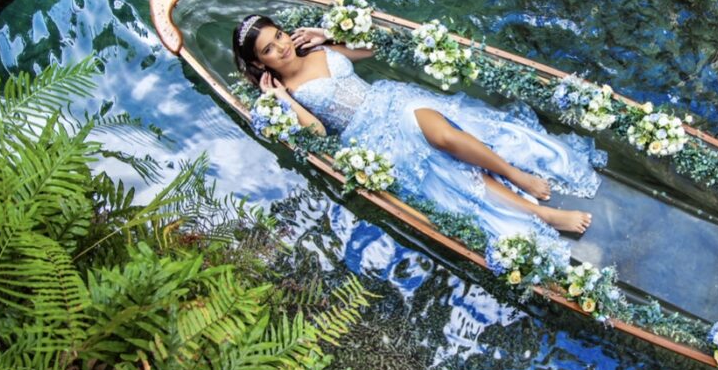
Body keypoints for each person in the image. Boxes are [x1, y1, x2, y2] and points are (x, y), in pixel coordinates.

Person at [232, 14, 603, 250]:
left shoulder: (315, 49)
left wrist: (327, 34)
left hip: (391, 101)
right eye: (269, 48)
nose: (281, 47)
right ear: (257, 62)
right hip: (367, 138)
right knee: (453, 176)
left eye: (279, 35)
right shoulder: (286, 95)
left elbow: (373, 49)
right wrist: (282, 100)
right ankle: (544, 216)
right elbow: (315, 131)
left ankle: (514, 172)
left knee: (442, 135)